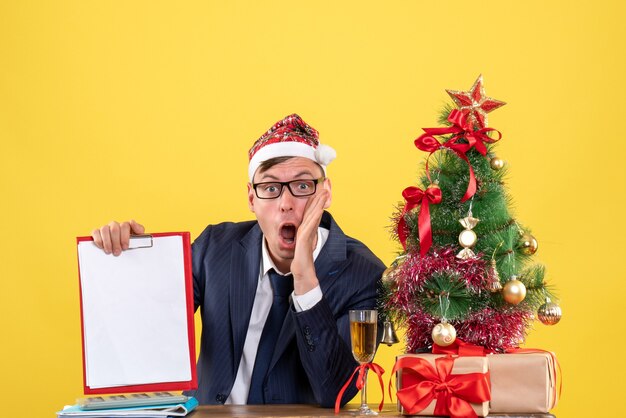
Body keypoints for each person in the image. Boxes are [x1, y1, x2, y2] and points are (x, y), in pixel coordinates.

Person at [91, 114, 385, 407]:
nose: (286, 204)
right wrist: (126, 260)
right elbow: (153, 325)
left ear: (325, 192)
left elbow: (335, 392)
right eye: (270, 188)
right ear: (251, 199)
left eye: (302, 186)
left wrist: (306, 279)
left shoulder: (364, 274)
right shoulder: (214, 249)